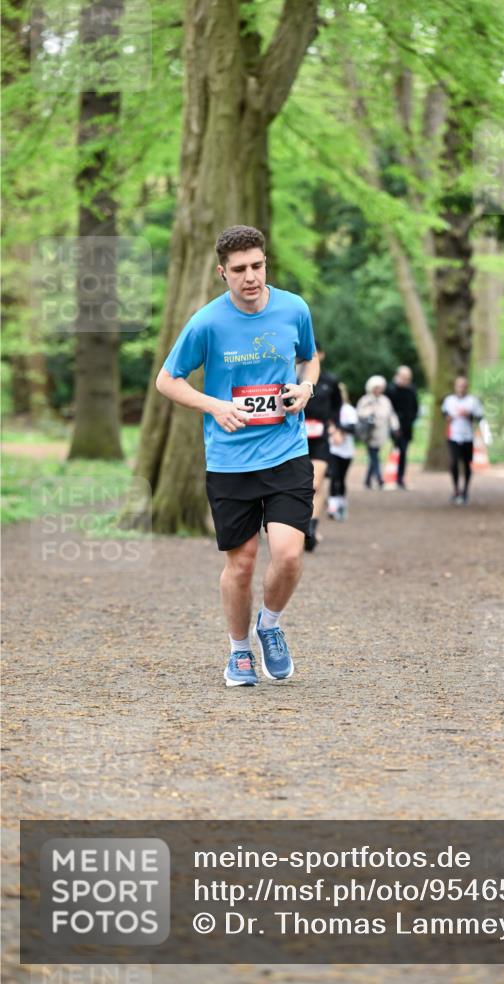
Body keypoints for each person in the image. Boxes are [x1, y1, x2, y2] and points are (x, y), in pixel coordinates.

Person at [155, 225, 319, 688]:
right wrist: (215, 405)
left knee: (288, 554)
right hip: (229, 461)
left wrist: (306, 386)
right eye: (240, 269)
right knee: (242, 563)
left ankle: (269, 625)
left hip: (287, 451)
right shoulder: (207, 322)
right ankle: (238, 651)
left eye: (258, 266)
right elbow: (168, 380)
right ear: (222, 272)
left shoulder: (294, 308)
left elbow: (310, 357)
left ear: (266, 263)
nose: (251, 277)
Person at [302, 342, 342, 551]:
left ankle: (311, 528)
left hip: (320, 439)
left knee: (315, 484)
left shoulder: (330, 381)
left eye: (315, 354)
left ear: (322, 355)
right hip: (294, 439)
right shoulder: (290, 379)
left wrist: (336, 428)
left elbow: (337, 408)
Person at [441, 376, 484, 505]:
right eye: (459, 385)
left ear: (467, 387)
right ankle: (455, 489)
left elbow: (480, 417)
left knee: (467, 464)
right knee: (454, 462)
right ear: (455, 387)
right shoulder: (449, 400)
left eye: (464, 386)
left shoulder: (473, 401)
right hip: (453, 436)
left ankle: (465, 491)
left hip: (468, 436)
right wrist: (449, 418)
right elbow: (444, 414)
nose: (461, 388)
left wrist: (469, 415)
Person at [356, 375, 400, 490]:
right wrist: (369, 413)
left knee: (373, 456)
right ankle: (379, 478)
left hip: (381, 433)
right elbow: (360, 414)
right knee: (374, 455)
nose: (378, 390)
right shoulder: (365, 400)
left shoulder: (385, 401)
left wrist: (395, 427)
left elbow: (391, 415)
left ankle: (367, 480)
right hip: (369, 433)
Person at [386, 365, 420, 489]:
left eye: (408, 378)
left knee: (403, 452)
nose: (406, 380)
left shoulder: (412, 390)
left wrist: (411, 419)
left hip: (407, 427)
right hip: (393, 426)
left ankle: (400, 478)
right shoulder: (391, 390)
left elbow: (415, 407)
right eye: (404, 377)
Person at [327, 382, 358, 521]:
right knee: (334, 476)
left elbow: (353, 428)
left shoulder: (348, 409)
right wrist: (332, 432)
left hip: (346, 450)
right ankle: (332, 507)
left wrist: (340, 430)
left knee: (342, 478)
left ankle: (341, 503)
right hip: (333, 449)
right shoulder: (329, 409)